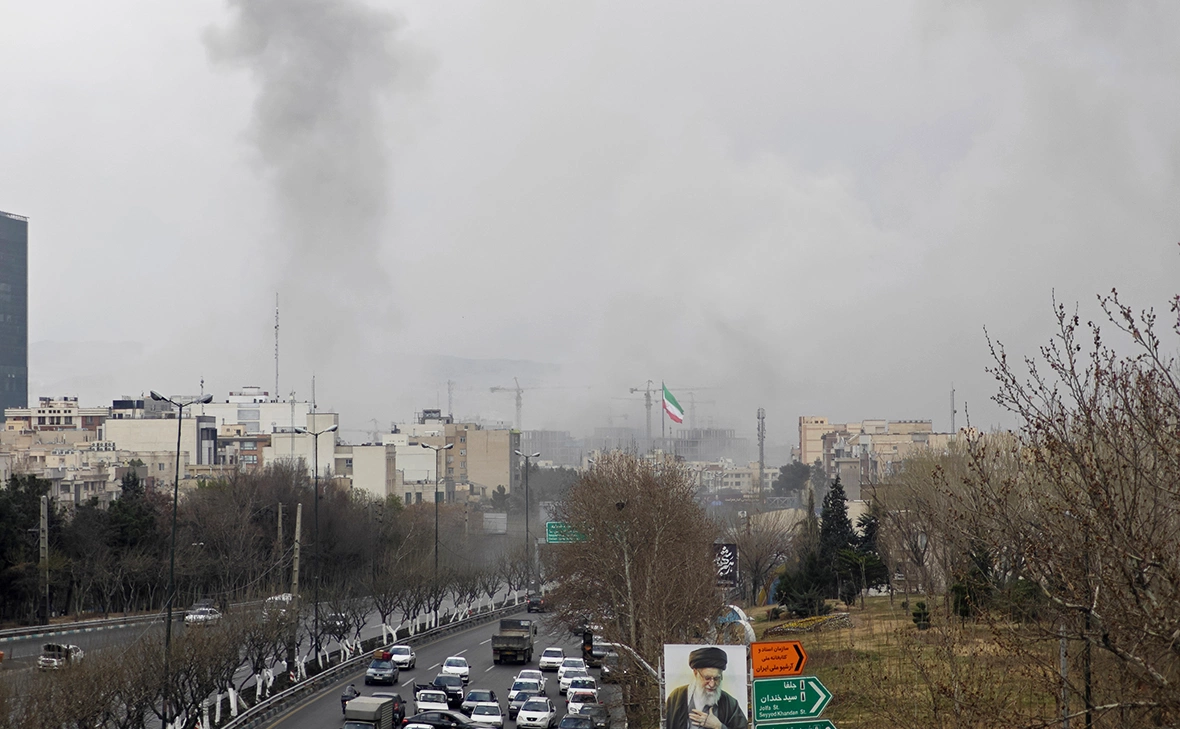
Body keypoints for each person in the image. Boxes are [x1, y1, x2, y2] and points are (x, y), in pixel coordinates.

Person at [665, 647, 747, 729]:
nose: (712, 684)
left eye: (716, 678)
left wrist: (719, 726)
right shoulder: (676, 697)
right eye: (707, 678)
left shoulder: (730, 704)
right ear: (695, 673)